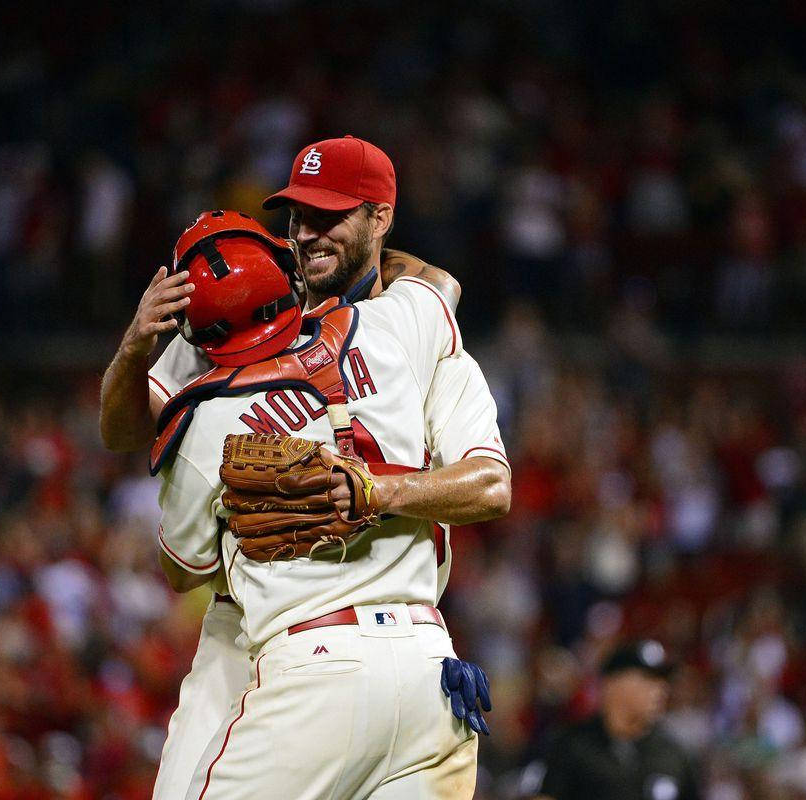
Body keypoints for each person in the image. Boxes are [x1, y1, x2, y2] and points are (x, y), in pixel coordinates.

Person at [97, 137, 498, 799]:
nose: (306, 233)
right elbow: (119, 430)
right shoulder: (235, 315)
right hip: (255, 618)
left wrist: (375, 488)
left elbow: (439, 289)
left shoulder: (393, 319)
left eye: (327, 215)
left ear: (380, 218)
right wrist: (135, 347)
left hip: (372, 615)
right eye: (296, 217)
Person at [526, 640, 700, 800]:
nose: (661, 690)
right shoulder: (571, 746)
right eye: (648, 679)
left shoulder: (675, 754)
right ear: (611, 684)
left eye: (663, 681)